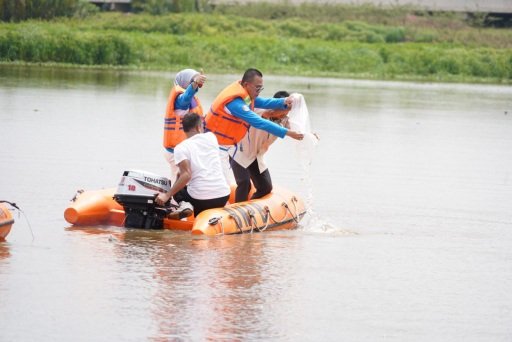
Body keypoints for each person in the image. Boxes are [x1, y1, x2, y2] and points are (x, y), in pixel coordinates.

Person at [204, 68, 304, 183]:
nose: (259, 90)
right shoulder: (236, 103)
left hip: (225, 146)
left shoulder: (245, 95)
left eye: (261, 87)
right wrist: (287, 133)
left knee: (225, 185)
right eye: (257, 87)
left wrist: (284, 101)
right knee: (224, 187)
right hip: (214, 147)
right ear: (247, 84)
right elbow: (259, 122)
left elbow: (263, 102)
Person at [156, 113, 231, 217]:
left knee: (178, 190)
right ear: (198, 127)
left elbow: (186, 175)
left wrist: (167, 195)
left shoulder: (181, 148)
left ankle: (186, 206)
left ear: (183, 129)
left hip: (201, 200)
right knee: (181, 178)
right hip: (223, 196)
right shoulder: (211, 138)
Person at [230, 90, 291, 202]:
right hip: (239, 152)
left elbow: (296, 129)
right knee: (244, 184)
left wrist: (308, 135)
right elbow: (264, 116)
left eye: (287, 111)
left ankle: (249, 208)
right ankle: (237, 213)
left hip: (256, 157)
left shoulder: (285, 119)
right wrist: (271, 114)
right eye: (283, 110)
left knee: (266, 187)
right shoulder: (256, 111)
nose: (284, 114)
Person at [163, 68, 207, 183]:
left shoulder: (193, 100)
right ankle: (171, 199)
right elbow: (186, 97)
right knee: (181, 178)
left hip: (183, 149)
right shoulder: (180, 100)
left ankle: (172, 197)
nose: (197, 87)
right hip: (175, 150)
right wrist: (194, 83)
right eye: (192, 82)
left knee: (182, 177)